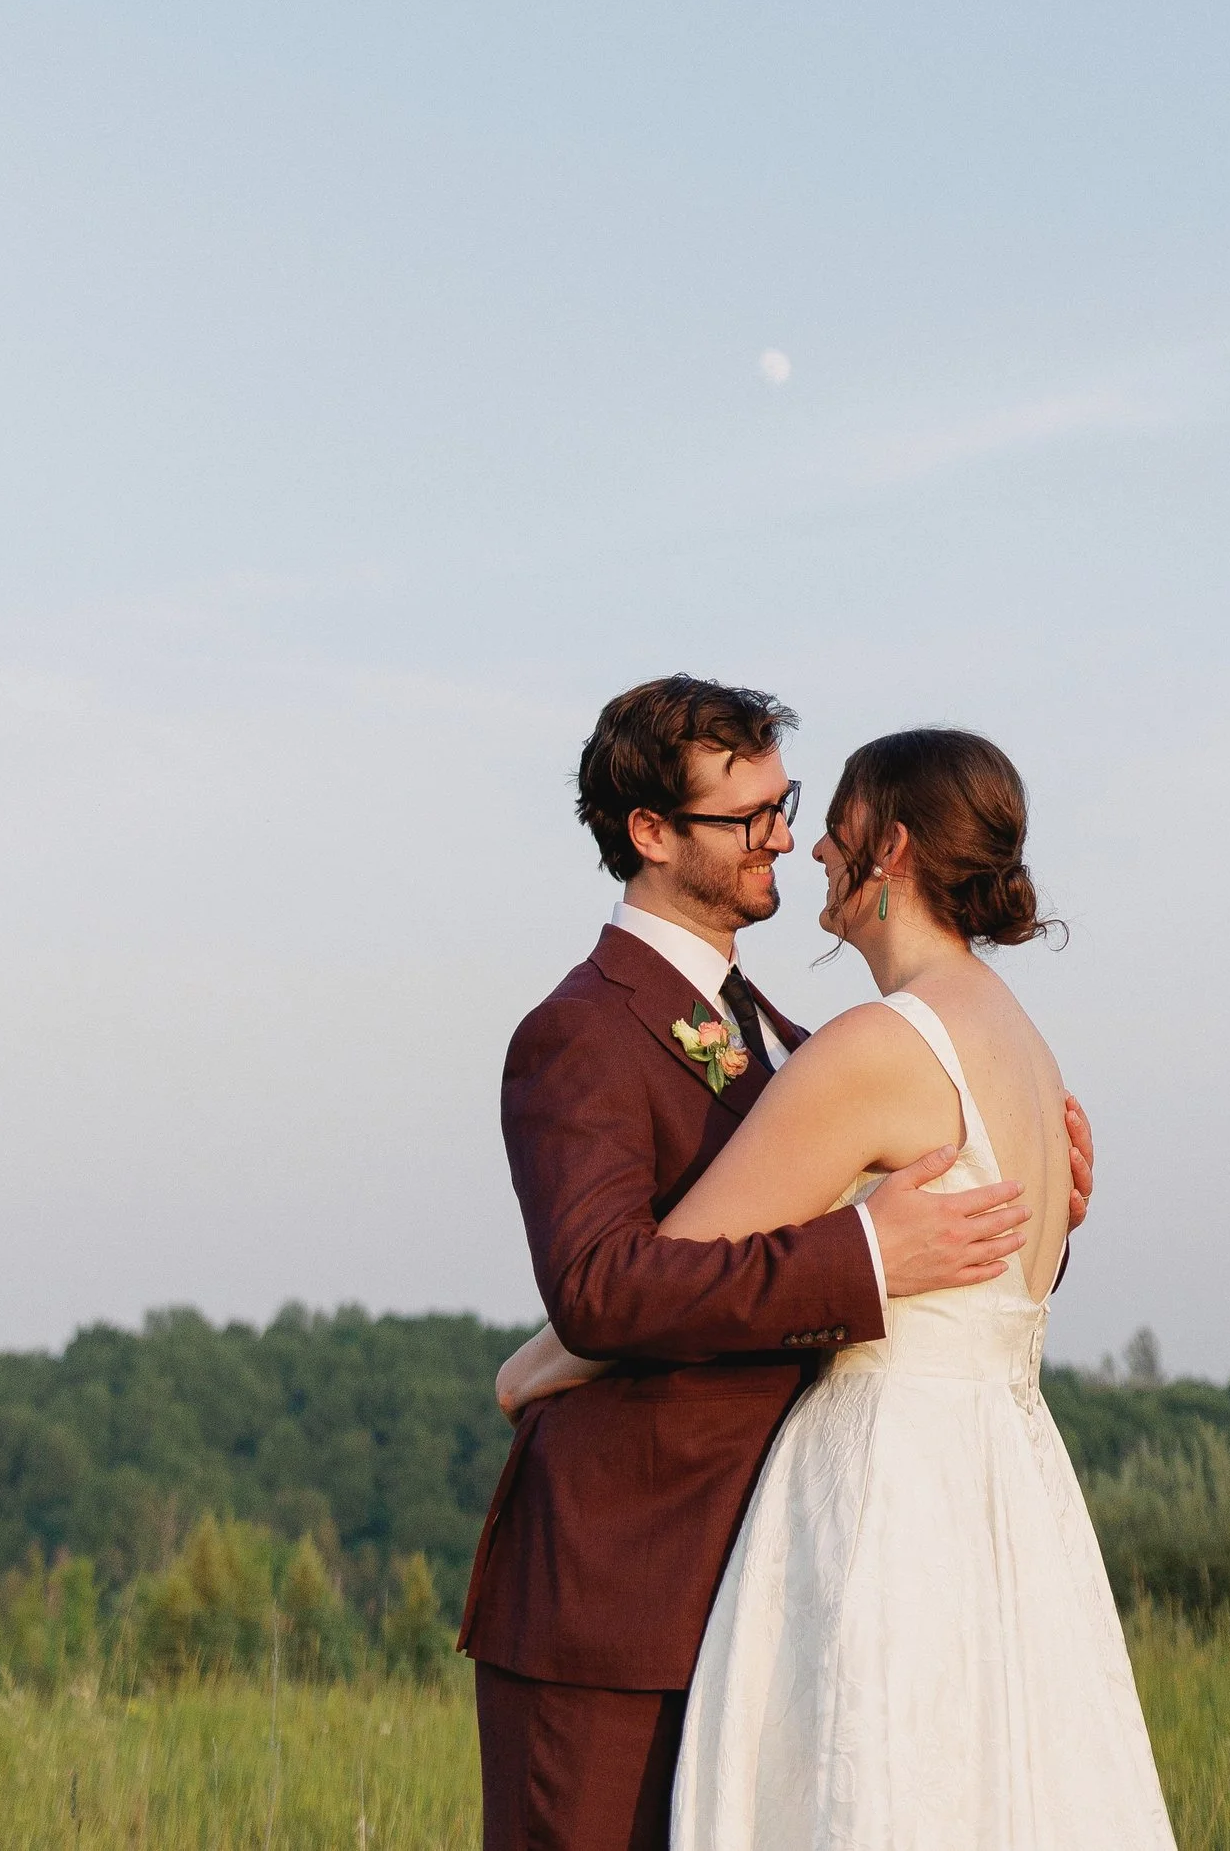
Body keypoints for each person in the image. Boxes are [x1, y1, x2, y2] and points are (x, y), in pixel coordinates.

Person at [497, 725, 1176, 1851]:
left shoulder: (856, 1045)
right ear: (651, 833)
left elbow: (647, 1281)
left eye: (813, 814)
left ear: (890, 848)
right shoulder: (1018, 1040)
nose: (798, 841)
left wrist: (530, 1367)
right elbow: (972, 1267)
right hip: (979, 1506)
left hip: (885, 1500)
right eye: (754, 815)